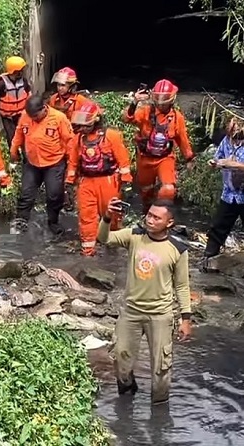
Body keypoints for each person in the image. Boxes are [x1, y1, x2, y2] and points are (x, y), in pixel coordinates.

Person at [98, 198, 191, 405]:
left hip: (160, 315)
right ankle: (127, 398)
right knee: (121, 357)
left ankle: (159, 411)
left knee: (161, 367)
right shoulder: (134, 236)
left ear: (169, 223)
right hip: (130, 312)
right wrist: (107, 217)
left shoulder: (178, 249)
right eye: (149, 215)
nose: (150, 220)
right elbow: (103, 239)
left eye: (156, 217)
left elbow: (182, 286)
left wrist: (186, 318)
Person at [65, 102, 133, 256]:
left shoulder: (111, 136)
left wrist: (126, 182)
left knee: (112, 215)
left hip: (108, 180)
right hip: (86, 182)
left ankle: (114, 245)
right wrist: (69, 183)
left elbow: (123, 160)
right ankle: (88, 251)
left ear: (96, 120)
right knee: (86, 217)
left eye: (85, 125)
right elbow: (73, 163)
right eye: (81, 125)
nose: (82, 128)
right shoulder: (78, 140)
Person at [123, 79, 195, 209]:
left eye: (164, 103)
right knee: (146, 190)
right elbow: (128, 119)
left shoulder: (177, 117)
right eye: (159, 103)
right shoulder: (145, 111)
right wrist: (135, 102)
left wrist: (189, 158)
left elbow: (182, 139)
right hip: (145, 158)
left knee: (168, 189)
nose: (161, 106)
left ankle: (162, 214)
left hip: (165, 158)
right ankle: (147, 212)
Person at [10, 95, 74, 235]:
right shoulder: (25, 116)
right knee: (26, 194)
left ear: (44, 108)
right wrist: (14, 150)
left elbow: (70, 142)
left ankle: (53, 221)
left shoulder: (59, 118)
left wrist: (72, 166)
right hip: (32, 163)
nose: (33, 119)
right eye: (31, 117)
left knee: (54, 195)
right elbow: (19, 134)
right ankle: (21, 222)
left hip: (54, 163)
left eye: (36, 116)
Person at [202, 118, 244, 267]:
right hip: (229, 194)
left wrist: (233, 164)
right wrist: (214, 163)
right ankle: (208, 258)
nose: (234, 130)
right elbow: (218, 158)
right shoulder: (226, 141)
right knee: (219, 226)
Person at [0, 56, 31, 146]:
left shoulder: (23, 81)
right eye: (20, 70)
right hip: (8, 118)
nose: (22, 72)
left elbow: (29, 93)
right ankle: (15, 157)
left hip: (21, 115)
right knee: (12, 139)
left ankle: (26, 158)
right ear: (14, 71)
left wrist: (31, 110)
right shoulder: (2, 84)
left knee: (25, 138)